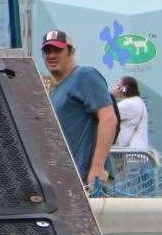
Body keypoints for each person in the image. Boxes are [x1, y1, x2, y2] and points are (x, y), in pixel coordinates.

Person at [41, 28, 116, 189]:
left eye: (58, 49)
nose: (51, 55)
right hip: (70, 183)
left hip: (90, 183)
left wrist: (97, 167)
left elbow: (108, 119)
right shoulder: (57, 90)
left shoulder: (84, 75)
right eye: (47, 51)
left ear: (70, 51)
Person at [112, 75, 150, 151]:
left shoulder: (129, 104)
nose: (116, 87)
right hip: (130, 150)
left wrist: (112, 95)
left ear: (124, 89)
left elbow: (107, 114)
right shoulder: (136, 101)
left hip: (126, 150)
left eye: (119, 86)